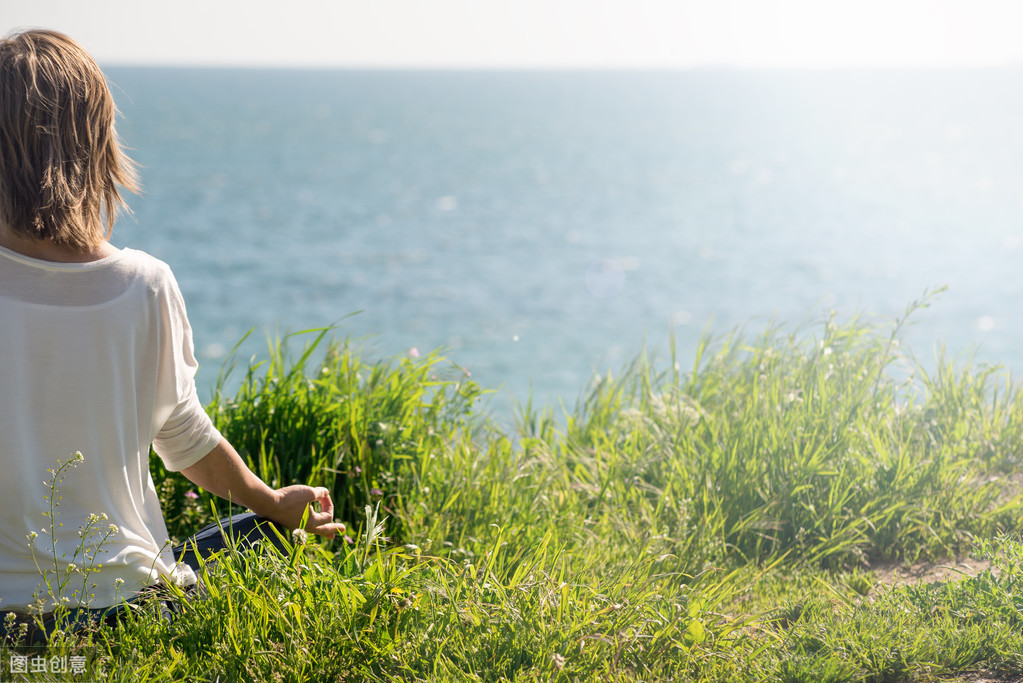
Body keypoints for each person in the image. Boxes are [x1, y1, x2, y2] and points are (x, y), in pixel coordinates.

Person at [0, 29, 344, 634]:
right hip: (119, 612)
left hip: (5, 623)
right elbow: (184, 437)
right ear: (96, 144)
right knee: (251, 536)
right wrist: (271, 504)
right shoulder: (144, 285)